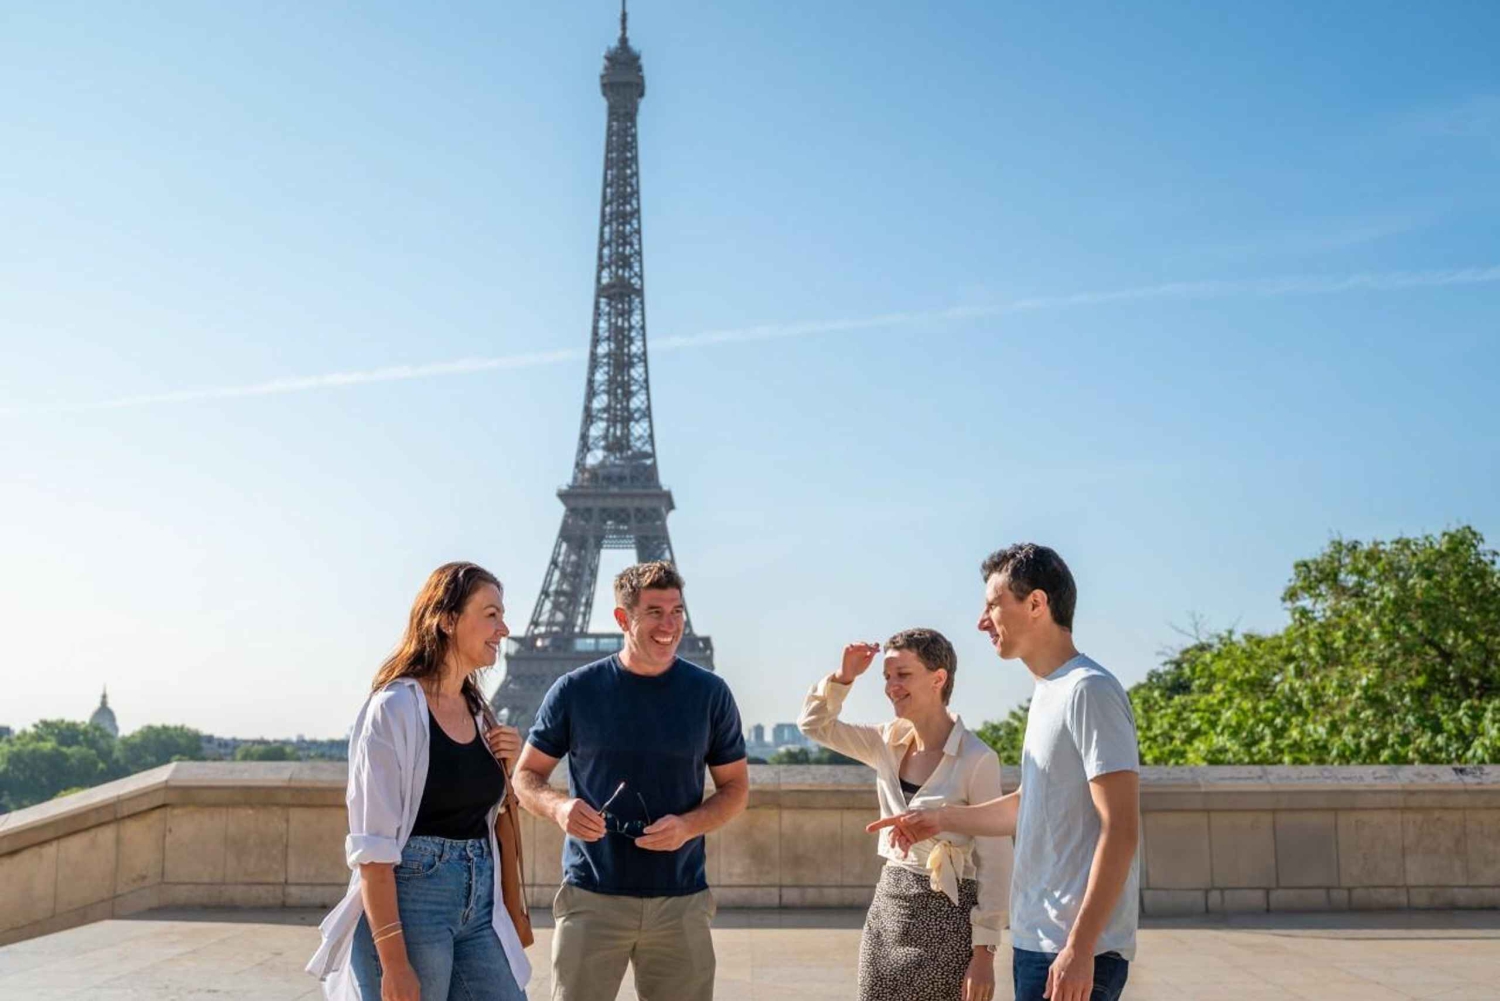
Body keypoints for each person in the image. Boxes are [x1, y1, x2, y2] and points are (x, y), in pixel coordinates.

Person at [870, 544, 1141, 1001]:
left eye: (993, 605)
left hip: (1075, 951)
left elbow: (1121, 828)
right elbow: (1029, 805)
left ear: (1036, 603)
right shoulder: (1049, 693)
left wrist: (1080, 948)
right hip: (1038, 940)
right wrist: (939, 818)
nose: (982, 622)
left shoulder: (1089, 690)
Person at [511, 560, 749, 1001]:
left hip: (681, 899)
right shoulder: (574, 690)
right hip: (592, 895)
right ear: (623, 618)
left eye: (677, 611)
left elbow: (735, 788)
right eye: (655, 612)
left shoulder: (711, 694)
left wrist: (688, 826)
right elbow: (524, 776)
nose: (670, 625)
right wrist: (560, 808)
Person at [307, 562, 532, 1001]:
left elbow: (489, 816)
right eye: (491, 615)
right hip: (412, 901)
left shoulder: (480, 713)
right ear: (447, 620)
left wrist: (508, 763)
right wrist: (393, 964)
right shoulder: (394, 709)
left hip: (480, 903)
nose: (504, 629)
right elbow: (373, 849)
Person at [798, 629, 1012, 1001]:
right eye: (886, 677)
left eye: (903, 675)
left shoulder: (977, 758)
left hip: (950, 918)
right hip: (889, 909)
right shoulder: (884, 741)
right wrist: (843, 678)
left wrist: (985, 954)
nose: (891, 687)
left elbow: (996, 859)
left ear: (938, 678)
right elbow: (814, 725)